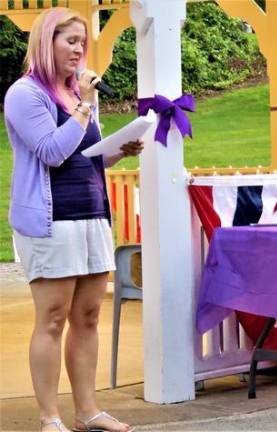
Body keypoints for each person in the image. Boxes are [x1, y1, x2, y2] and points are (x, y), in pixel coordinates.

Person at [4, 8, 143, 432]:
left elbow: (84, 157)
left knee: (87, 317)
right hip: (51, 221)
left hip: (91, 215)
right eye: (71, 41)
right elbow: (51, 151)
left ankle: (88, 411)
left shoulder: (78, 95)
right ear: (47, 42)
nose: (80, 50)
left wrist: (120, 149)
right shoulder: (25, 94)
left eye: (82, 42)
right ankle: (50, 417)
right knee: (52, 318)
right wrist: (85, 105)